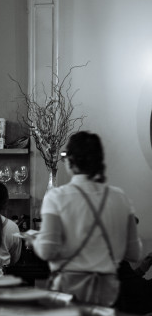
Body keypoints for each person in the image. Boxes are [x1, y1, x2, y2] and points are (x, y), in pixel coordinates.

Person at [26, 131, 142, 306]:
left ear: (70, 161)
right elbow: (134, 254)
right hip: (109, 296)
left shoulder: (56, 197)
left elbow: (48, 251)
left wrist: (33, 240)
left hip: (70, 294)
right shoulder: (120, 198)